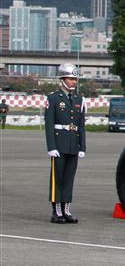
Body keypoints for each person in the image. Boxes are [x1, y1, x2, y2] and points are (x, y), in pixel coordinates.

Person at [44, 63, 85, 224]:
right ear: (62, 80)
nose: (73, 82)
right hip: (59, 144)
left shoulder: (79, 99)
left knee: (69, 178)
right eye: (70, 79)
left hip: (73, 144)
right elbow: (49, 124)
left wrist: (82, 146)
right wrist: (51, 147)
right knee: (57, 178)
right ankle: (57, 212)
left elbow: (81, 125)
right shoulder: (53, 98)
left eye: (75, 79)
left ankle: (66, 210)